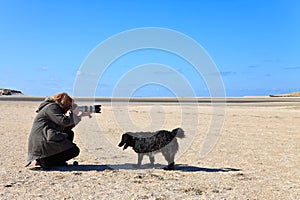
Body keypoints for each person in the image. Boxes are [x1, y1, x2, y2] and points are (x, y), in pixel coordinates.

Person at [26, 92, 91, 169]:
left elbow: (66, 128)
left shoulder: (50, 107)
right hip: (42, 140)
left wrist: (80, 115)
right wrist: (75, 114)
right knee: (74, 151)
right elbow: (64, 122)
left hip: (43, 139)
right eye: (69, 106)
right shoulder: (52, 107)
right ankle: (46, 161)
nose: (68, 109)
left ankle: (47, 159)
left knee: (69, 133)